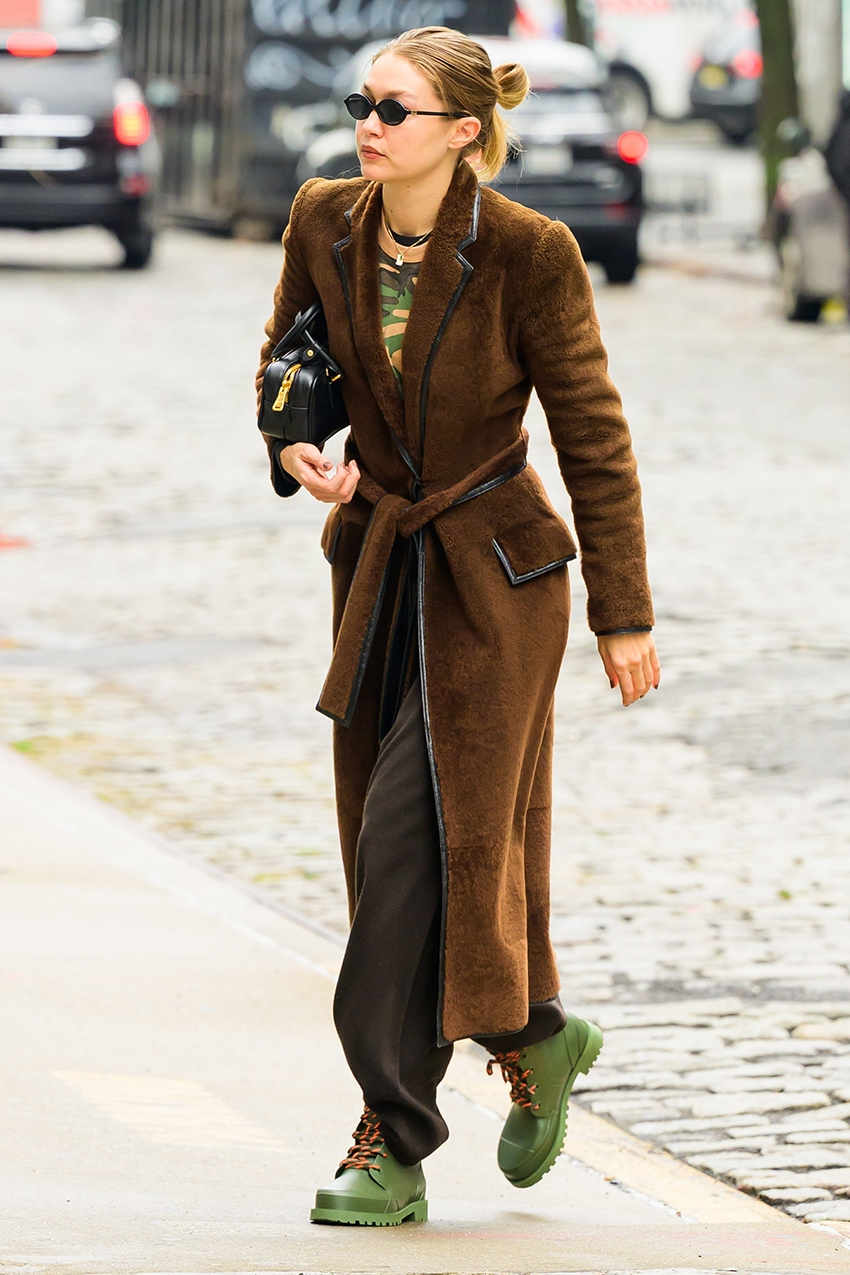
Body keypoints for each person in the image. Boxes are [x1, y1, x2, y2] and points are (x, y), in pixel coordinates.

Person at [256, 26, 660, 1227]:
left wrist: (622, 614)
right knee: (416, 853)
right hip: (378, 570)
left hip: (498, 581)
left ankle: (392, 1134)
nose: (367, 123)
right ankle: (533, 1035)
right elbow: (291, 361)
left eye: (395, 107)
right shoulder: (324, 219)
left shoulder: (529, 252)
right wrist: (292, 444)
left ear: (462, 133)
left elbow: (592, 433)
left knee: (416, 847)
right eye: (360, 102)